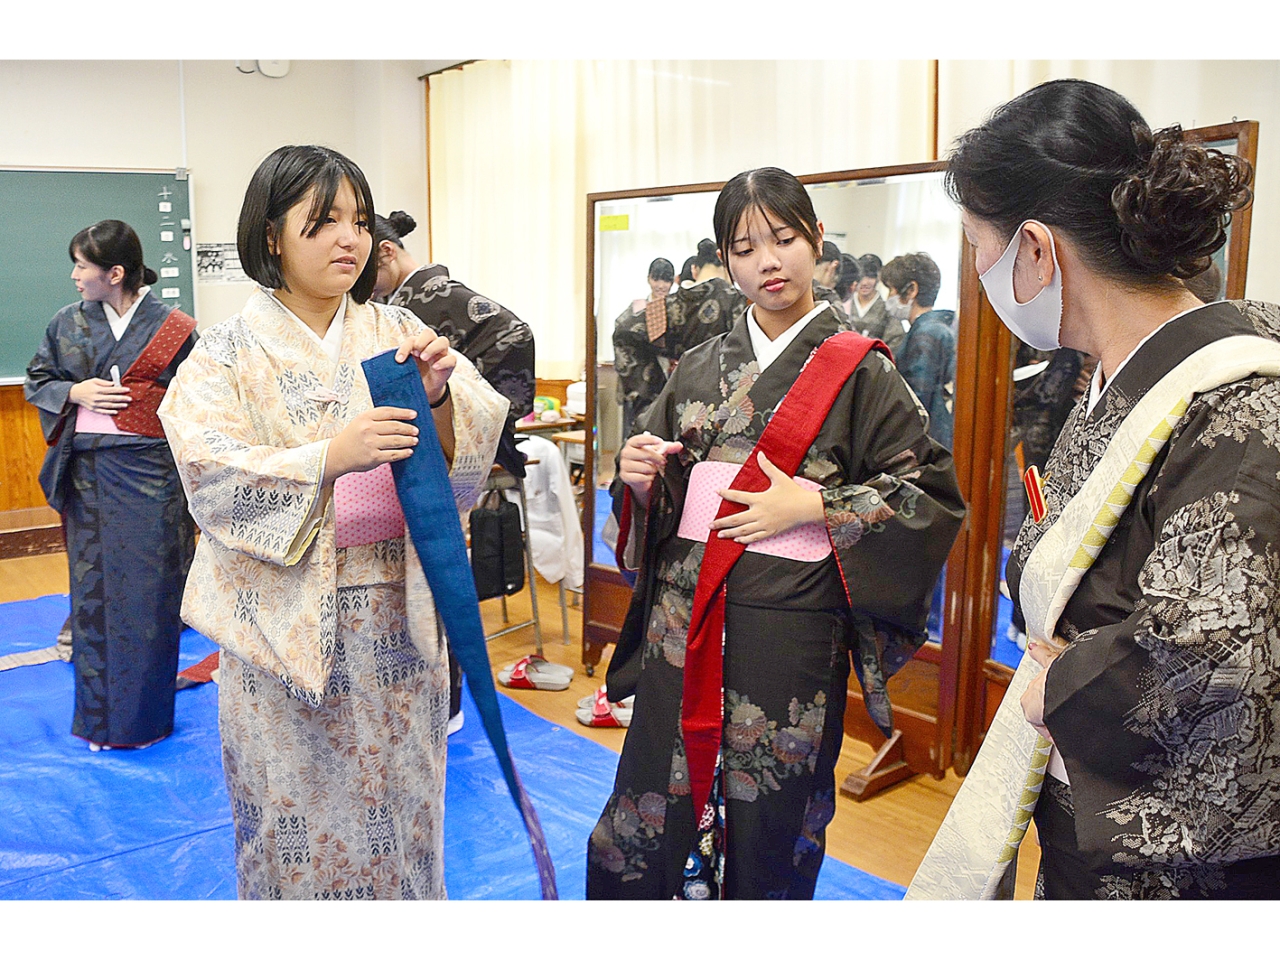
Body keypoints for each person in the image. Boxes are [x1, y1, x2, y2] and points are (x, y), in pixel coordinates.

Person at [915, 78, 1277, 900]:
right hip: (1083, 809)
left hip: (1184, 868)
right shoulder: (1114, 384)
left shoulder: (1243, 403)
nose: (978, 271)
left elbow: (1221, 657)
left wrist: (1057, 686)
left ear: (1036, 250)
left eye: (979, 243)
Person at [587, 167, 965, 899]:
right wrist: (639, 477)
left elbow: (929, 498)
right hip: (683, 623)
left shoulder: (861, 371)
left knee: (772, 817)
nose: (768, 260)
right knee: (647, 810)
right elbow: (664, 482)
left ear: (817, 242)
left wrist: (816, 509)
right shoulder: (698, 365)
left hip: (787, 630)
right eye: (745, 246)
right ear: (725, 261)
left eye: (785, 238)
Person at [158, 145, 507, 899]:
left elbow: (470, 457)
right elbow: (208, 468)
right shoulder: (222, 352)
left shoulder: (397, 328)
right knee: (293, 832)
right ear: (272, 236)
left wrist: (442, 400)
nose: (349, 240)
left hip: (397, 617)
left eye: (357, 221)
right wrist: (330, 457)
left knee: (405, 816)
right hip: (279, 630)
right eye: (322, 222)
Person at [24, 219, 197, 751]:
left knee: (149, 600)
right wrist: (76, 391)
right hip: (91, 481)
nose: (75, 276)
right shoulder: (66, 324)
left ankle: (144, 722)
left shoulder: (176, 328)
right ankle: (98, 723)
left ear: (115, 273)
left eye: (83, 266)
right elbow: (39, 379)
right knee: (95, 597)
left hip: (155, 481)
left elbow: (201, 401)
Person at [371, 210, 535, 480]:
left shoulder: (429, 299)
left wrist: (469, 391)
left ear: (387, 251)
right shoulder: (414, 301)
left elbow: (517, 333)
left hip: (447, 423)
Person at [613, 239, 745, 439]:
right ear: (727, 265)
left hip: (674, 398)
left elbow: (624, 332)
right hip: (720, 405)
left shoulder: (667, 306)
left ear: (694, 269)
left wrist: (654, 392)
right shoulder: (737, 301)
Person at [881, 252, 957, 449]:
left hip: (930, 438)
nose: (889, 297)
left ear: (912, 290)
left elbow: (917, 399)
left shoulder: (926, 335)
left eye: (891, 289)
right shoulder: (938, 327)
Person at [611, 258, 678, 437]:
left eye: (666, 280)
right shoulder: (637, 307)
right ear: (649, 279)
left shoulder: (677, 308)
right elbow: (621, 334)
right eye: (657, 279)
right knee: (634, 432)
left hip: (668, 379)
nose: (661, 285)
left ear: (673, 281)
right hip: (638, 384)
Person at [849, 253, 900, 353]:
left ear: (879, 278)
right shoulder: (845, 303)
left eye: (871, 277)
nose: (864, 282)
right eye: (861, 277)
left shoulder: (887, 309)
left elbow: (895, 340)